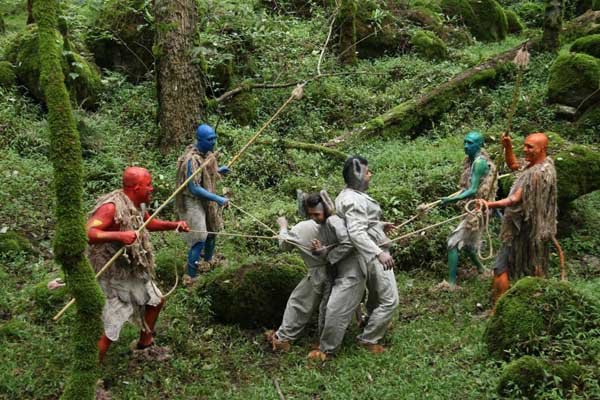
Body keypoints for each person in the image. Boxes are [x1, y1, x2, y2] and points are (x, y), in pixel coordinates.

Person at [87, 166, 189, 361]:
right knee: (110, 326)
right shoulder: (111, 208)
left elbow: (146, 222)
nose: (152, 188)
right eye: (148, 185)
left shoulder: (136, 204)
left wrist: (174, 225)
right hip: (112, 273)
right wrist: (119, 235)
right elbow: (89, 233)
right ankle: (88, 377)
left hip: (131, 267)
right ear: (136, 188)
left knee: (156, 300)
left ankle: (145, 344)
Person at [313, 156, 398, 358]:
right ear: (358, 174)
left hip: (365, 253)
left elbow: (360, 224)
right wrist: (379, 253)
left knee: (377, 295)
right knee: (389, 300)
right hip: (370, 253)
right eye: (368, 172)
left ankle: (369, 323)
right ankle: (368, 339)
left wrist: (378, 225)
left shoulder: (350, 195)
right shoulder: (353, 199)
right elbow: (357, 232)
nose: (370, 175)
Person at [267, 191, 353, 352]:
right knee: (332, 306)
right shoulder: (339, 223)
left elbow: (284, 245)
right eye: (311, 214)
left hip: (319, 273)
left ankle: (283, 339)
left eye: (317, 214)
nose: (315, 217)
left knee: (299, 303)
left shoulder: (303, 228)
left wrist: (283, 227)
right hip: (342, 270)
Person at [480, 132, 557, 303]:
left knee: (501, 267)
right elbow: (514, 164)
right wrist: (508, 147)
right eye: (524, 145)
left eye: (530, 147)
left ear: (543, 149)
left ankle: (498, 308)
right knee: (534, 263)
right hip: (532, 229)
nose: (525, 150)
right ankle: (537, 302)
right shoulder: (537, 165)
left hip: (520, 229)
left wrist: (488, 204)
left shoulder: (537, 173)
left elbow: (514, 199)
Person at [437, 131, 497, 290]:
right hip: (475, 209)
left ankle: (451, 283)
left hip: (478, 210)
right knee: (470, 244)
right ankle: (482, 270)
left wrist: (450, 200)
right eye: (465, 142)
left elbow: (472, 190)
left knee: (452, 242)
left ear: (480, 145)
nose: (466, 146)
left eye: (470, 143)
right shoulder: (470, 161)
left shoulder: (479, 163)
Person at [175, 124, 230, 283]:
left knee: (212, 231)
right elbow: (194, 187)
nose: (213, 142)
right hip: (192, 201)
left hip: (206, 199)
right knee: (200, 238)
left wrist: (218, 171)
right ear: (200, 140)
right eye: (210, 139)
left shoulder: (207, 155)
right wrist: (217, 198)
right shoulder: (191, 160)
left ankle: (208, 261)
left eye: (214, 138)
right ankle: (191, 276)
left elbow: (205, 173)